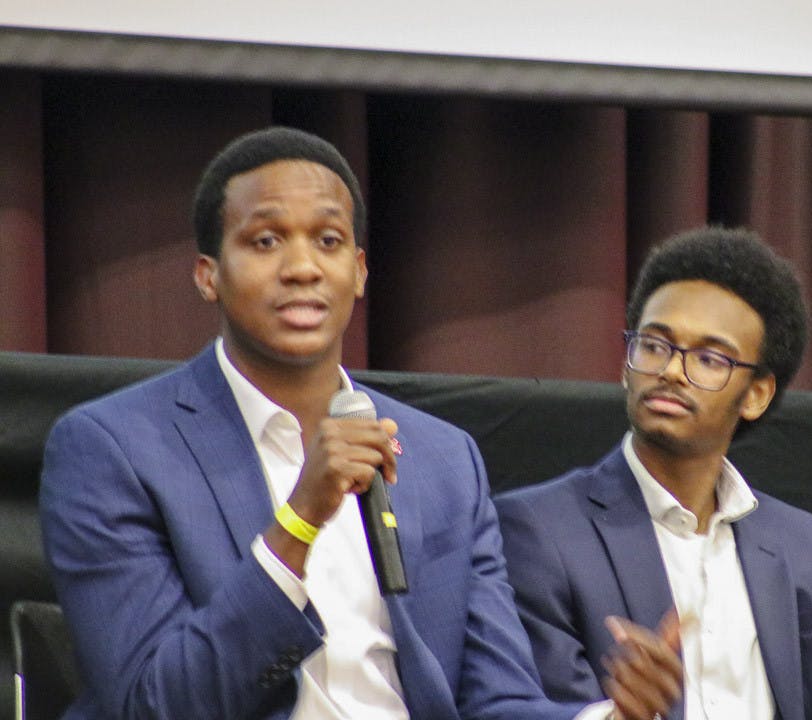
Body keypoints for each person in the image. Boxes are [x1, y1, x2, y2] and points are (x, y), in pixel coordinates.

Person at [39, 126, 668, 720]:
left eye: (329, 241)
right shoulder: (112, 448)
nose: (303, 267)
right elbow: (157, 701)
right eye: (265, 241)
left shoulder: (444, 461)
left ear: (360, 272)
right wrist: (298, 522)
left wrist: (611, 714)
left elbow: (495, 699)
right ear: (209, 276)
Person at [495, 226, 812, 720]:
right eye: (654, 345)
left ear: (757, 394)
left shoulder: (810, 549)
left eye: (708, 358)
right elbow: (512, 706)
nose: (670, 370)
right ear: (626, 365)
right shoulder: (538, 531)